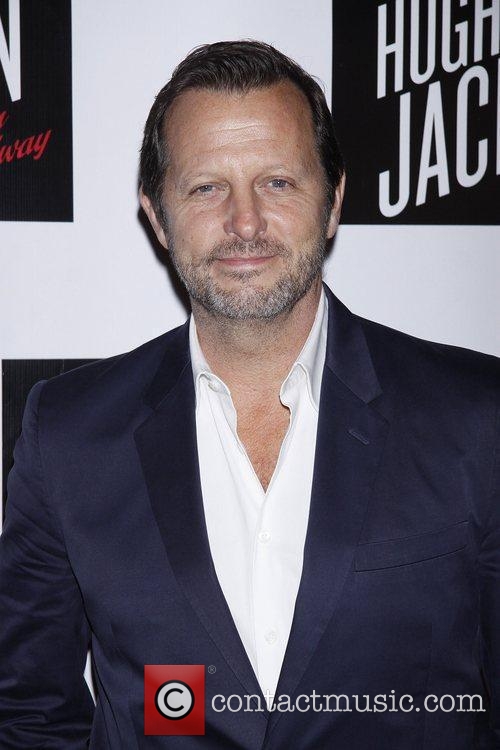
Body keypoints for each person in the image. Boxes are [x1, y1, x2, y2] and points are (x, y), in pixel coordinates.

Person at [0, 40, 498, 749]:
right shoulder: (68, 436)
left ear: (333, 201)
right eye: (207, 188)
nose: (244, 222)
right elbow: (27, 717)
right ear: (157, 216)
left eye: (278, 183)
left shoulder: (477, 418)